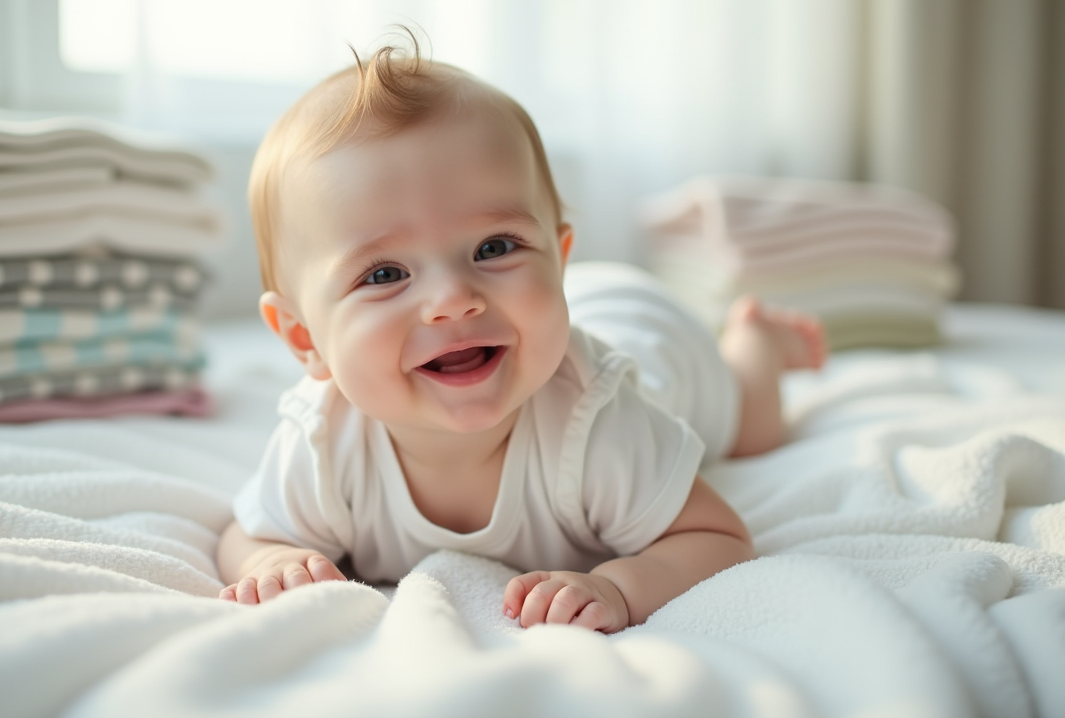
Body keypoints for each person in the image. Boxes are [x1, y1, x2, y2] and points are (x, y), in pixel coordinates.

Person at [217, 36, 826, 633]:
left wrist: (621, 586)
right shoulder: (324, 443)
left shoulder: (594, 422)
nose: (453, 301)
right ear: (304, 340)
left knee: (750, 425)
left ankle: (755, 344)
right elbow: (252, 534)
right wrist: (270, 563)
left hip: (657, 340)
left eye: (494, 247)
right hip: (559, 317)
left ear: (557, 260)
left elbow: (716, 537)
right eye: (384, 274)